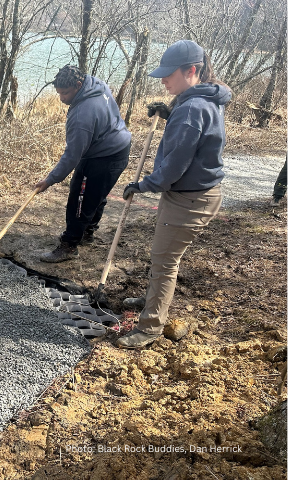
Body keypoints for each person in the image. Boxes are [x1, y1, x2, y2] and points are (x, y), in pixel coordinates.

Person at [116, 40, 231, 349]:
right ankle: (153, 299)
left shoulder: (192, 107)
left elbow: (174, 166)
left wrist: (143, 185)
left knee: (165, 262)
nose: (163, 80)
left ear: (191, 70)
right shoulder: (201, 98)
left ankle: (151, 326)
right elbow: (197, 136)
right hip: (195, 194)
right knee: (163, 258)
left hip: (189, 198)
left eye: (169, 74)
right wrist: (169, 114)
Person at [34, 65, 132, 262]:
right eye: (59, 93)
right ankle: (87, 232)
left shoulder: (82, 116)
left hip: (103, 156)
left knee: (80, 198)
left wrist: (50, 180)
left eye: (66, 93)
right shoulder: (97, 84)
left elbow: (72, 155)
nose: (62, 98)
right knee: (96, 194)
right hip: (119, 147)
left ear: (78, 85)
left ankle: (70, 246)